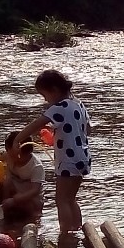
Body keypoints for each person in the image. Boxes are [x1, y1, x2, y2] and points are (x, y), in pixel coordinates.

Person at [34, 68, 93, 234]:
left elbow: (36, 124)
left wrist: (18, 139)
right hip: (82, 157)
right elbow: (87, 130)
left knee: (61, 200)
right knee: (71, 198)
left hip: (67, 161)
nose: (46, 101)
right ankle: (77, 229)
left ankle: (65, 232)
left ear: (54, 90)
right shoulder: (78, 104)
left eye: (45, 96)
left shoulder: (58, 107)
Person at [0, 128, 44, 228]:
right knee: (2, 183)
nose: (9, 155)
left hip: (30, 198)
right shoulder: (8, 156)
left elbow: (35, 190)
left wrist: (16, 200)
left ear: (19, 153)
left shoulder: (36, 166)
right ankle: (5, 210)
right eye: (7, 151)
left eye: (11, 153)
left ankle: (31, 222)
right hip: (14, 191)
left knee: (32, 209)